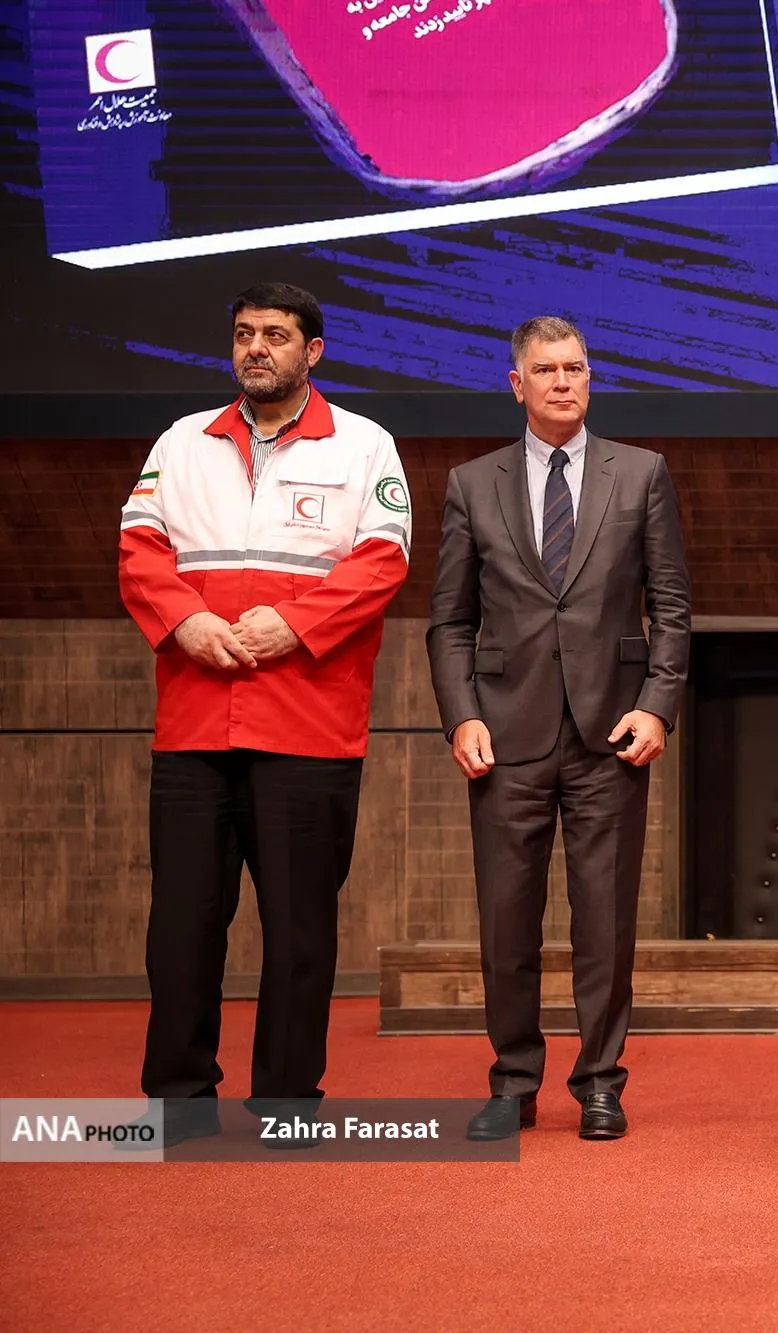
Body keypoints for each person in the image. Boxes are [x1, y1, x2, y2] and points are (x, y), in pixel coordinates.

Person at [117, 282, 410, 1146]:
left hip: (307, 727)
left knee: (298, 935)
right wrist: (186, 620)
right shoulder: (181, 442)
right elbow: (139, 550)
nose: (256, 348)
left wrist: (294, 623)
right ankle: (179, 1104)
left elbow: (382, 560)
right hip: (195, 724)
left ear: (311, 351)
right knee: (180, 932)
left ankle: (286, 1106)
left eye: (276, 335)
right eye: (244, 333)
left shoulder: (364, 445)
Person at [427, 316, 692, 1142]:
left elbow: (672, 607)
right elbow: (449, 622)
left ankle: (600, 1082)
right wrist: (462, 715)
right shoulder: (472, 483)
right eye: (546, 370)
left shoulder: (641, 473)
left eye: (576, 368)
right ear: (518, 385)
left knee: (604, 921)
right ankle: (512, 1081)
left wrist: (657, 704)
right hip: (503, 737)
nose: (564, 382)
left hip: (611, 733)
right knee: (507, 921)